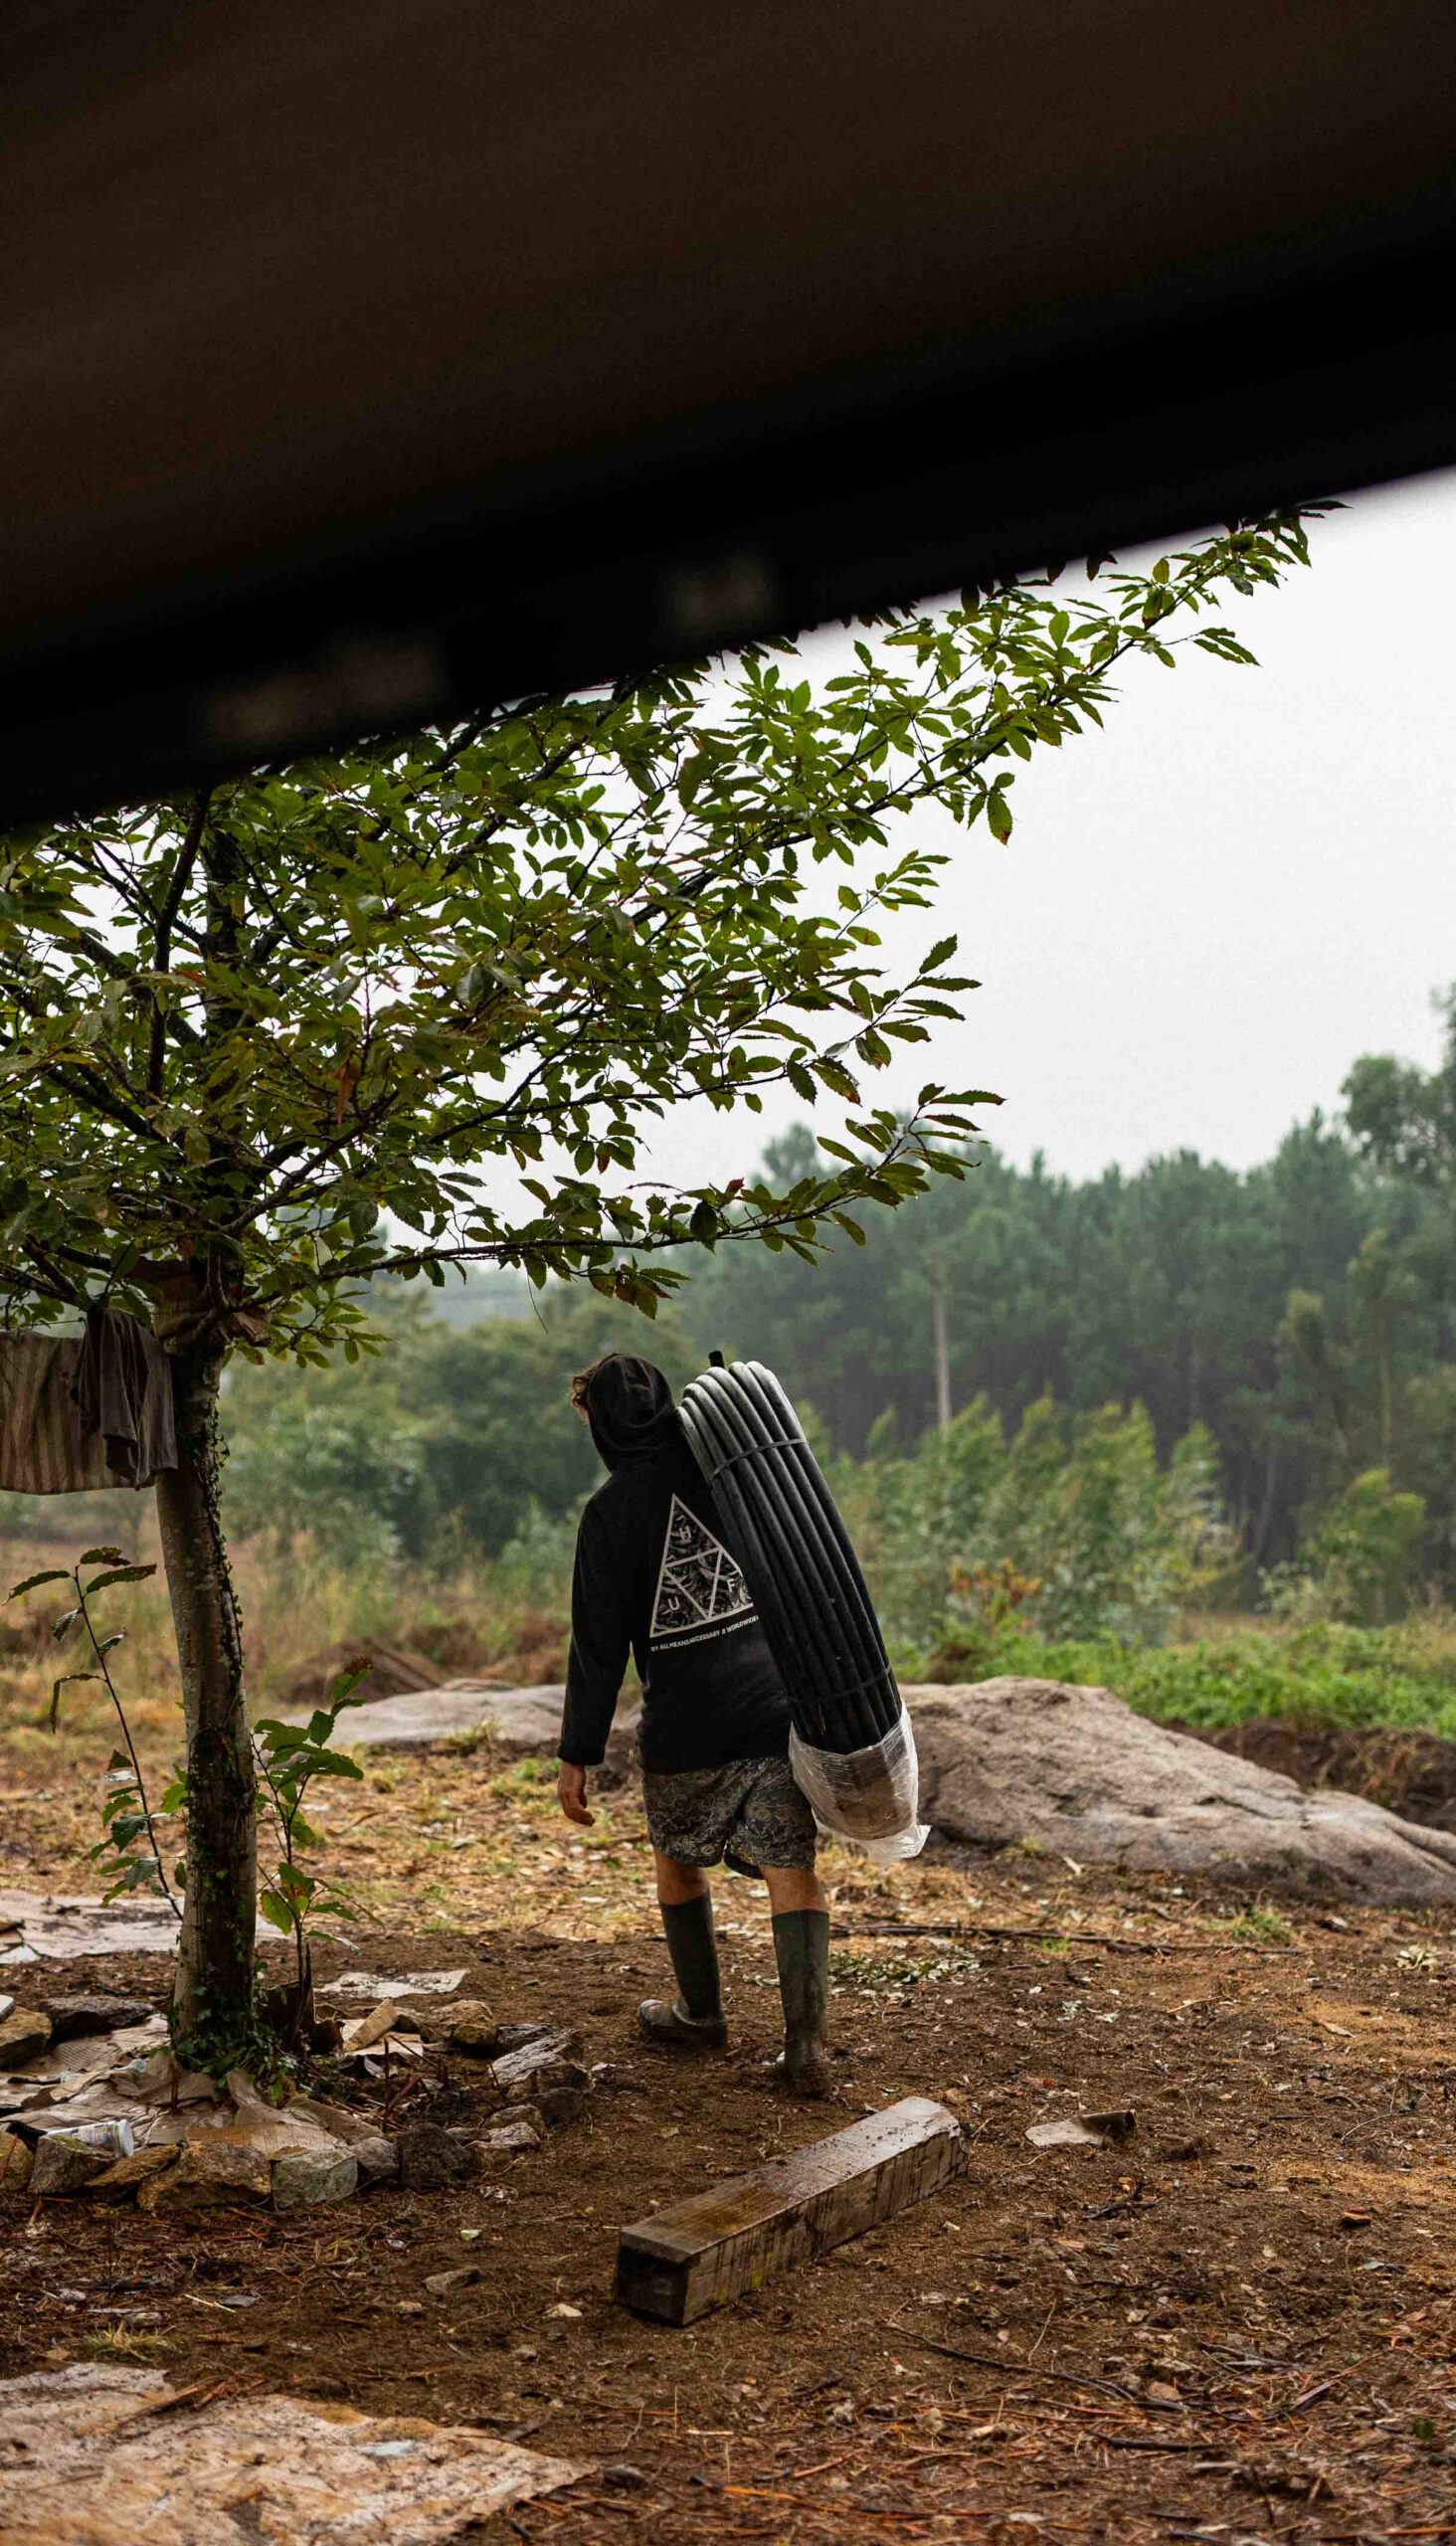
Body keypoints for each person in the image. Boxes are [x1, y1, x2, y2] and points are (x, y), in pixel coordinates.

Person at [555, 1351, 831, 2095]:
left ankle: (701, 2015)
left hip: (686, 1731)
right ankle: (806, 2050)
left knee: (676, 1860)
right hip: (774, 1709)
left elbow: (597, 1647)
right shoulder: (732, 1475)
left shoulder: (608, 1515)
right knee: (790, 1866)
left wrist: (576, 1753)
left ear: (603, 1426)